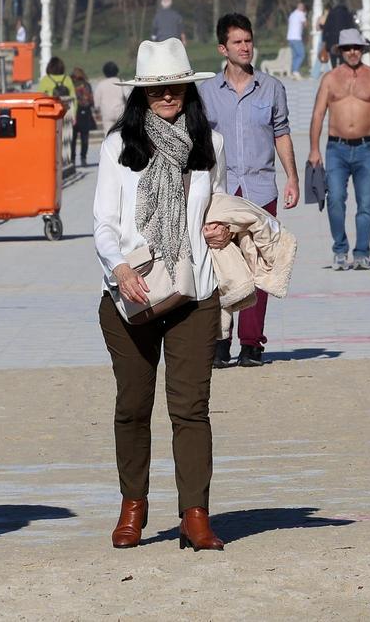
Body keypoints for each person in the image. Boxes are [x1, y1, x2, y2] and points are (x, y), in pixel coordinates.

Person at [93, 36, 230, 551]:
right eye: (155, 89)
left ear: (187, 89)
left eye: (173, 86)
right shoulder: (117, 147)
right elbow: (104, 224)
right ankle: (133, 505)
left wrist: (220, 230)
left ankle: (195, 513)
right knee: (133, 405)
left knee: (190, 408)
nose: (166, 96)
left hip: (195, 291)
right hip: (131, 293)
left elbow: (217, 203)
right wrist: (121, 267)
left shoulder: (209, 144)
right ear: (141, 96)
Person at [199, 13, 300, 368]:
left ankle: (252, 343)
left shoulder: (271, 88)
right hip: (221, 193)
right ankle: (218, 340)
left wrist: (292, 177)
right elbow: (197, 141)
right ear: (223, 48)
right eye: (238, 42)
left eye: (248, 41)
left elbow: (282, 133)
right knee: (220, 265)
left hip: (260, 188)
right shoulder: (207, 92)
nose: (245, 47)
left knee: (259, 266)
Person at [308, 29, 370, 270]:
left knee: (366, 202)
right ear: (341, 51)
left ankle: (361, 253)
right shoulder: (330, 79)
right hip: (336, 148)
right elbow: (318, 114)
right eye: (348, 48)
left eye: (357, 47)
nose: (353, 52)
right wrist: (314, 149)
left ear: (363, 49)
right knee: (335, 199)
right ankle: (340, 249)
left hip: (368, 148)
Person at [94, 61, 131, 135]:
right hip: (120, 112)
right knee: (121, 133)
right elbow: (129, 97)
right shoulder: (121, 82)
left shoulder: (101, 84)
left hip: (107, 113)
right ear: (116, 71)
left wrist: (97, 111)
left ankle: (109, 146)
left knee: (108, 134)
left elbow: (96, 102)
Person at [71, 67, 97, 166]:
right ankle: (83, 158)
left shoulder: (71, 85)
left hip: (74, 113)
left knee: (72, 139)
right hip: (85, 112)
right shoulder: (87, 85)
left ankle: (72, 159)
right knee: (84, 138)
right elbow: (90, 100)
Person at [321, 1, 355, 69]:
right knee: (342, 56)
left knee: (333, 56)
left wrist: (324, 39)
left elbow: (326, 27)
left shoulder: (331, 13)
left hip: (332, 39)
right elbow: (351, 27)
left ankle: (334, 70)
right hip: (344, 39)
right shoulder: (347, 14)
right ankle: (341, 71)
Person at [286, 2, 307, 78]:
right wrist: (305, 15)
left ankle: (293, 71)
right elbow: (305, 24)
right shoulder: (301, 14)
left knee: (295, 56)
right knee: (301, 54)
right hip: (296, 37)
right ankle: (295, 71)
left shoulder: (292, 14)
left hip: (290, 37)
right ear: (301, 7)